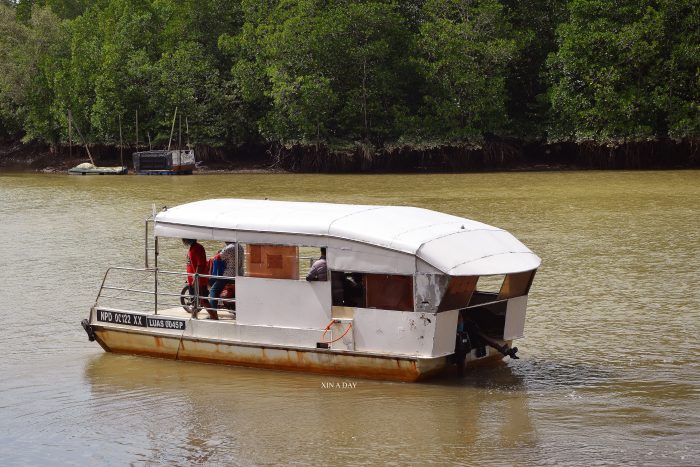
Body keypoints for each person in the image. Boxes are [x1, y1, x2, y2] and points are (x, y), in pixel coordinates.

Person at [182, 238, 215, 319]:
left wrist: (195, 278)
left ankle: (214, 316)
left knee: (203, 299)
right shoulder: (191, 248)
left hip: (199, 280)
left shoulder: (198, 248)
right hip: (192, 279)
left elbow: (200, 265)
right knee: (194, 299)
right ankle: (194, 316)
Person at [209, 242, 236, 309]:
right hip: (238, 273)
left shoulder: (230, 247)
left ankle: (213, 313)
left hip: (229, 274)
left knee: (213, 290)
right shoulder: (239, 247)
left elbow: (218, 257)